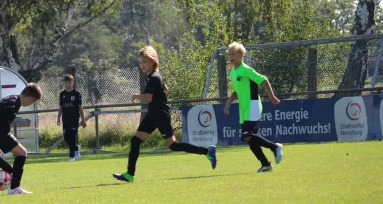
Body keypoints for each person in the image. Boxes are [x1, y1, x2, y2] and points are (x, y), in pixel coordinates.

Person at [113, 46, 217, 182]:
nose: (141, 65)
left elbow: (148, 98)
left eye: (144, 62)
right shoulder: (154, 76)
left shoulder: (153, 77)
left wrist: (136, 96)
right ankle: (130, 174)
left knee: (173, 146)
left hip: (160, 115)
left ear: (152, 61)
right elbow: (164, 89)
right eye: (140, 62)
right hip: (154, 115)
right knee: (135, 140)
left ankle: (208, 151)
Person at [223, 42, 283, 172]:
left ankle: (274, 147)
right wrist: (228, 103)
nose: (230, 57)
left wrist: (272, 97)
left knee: (247, 135)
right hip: (244, 110)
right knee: (250, 140)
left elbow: (264, 80)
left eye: (233, 54)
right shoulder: (233, 73)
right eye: (229, 54)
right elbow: (235, 92)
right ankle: (266, 164)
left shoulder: (246, 70)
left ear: (241, 55)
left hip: (253, 106)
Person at [0, 83, 43, 195]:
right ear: (30, 98)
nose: (30, 104)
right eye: (32, 102)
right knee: (22, 153)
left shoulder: (14, 99)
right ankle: (14, 188)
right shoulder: (13, 102)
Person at [57, 74, 87, 161]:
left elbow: (80, 108)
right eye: (66, 82)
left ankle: (71, 156)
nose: (67, 84)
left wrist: (83, 119)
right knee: (66, 137)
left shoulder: (76, 94)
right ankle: (76, 148)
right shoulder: (62, 94)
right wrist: (58, 117)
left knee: (73, 135)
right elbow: (61, 107)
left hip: (74, 118)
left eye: (69, 82)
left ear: (73, 82)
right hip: (65, 119)